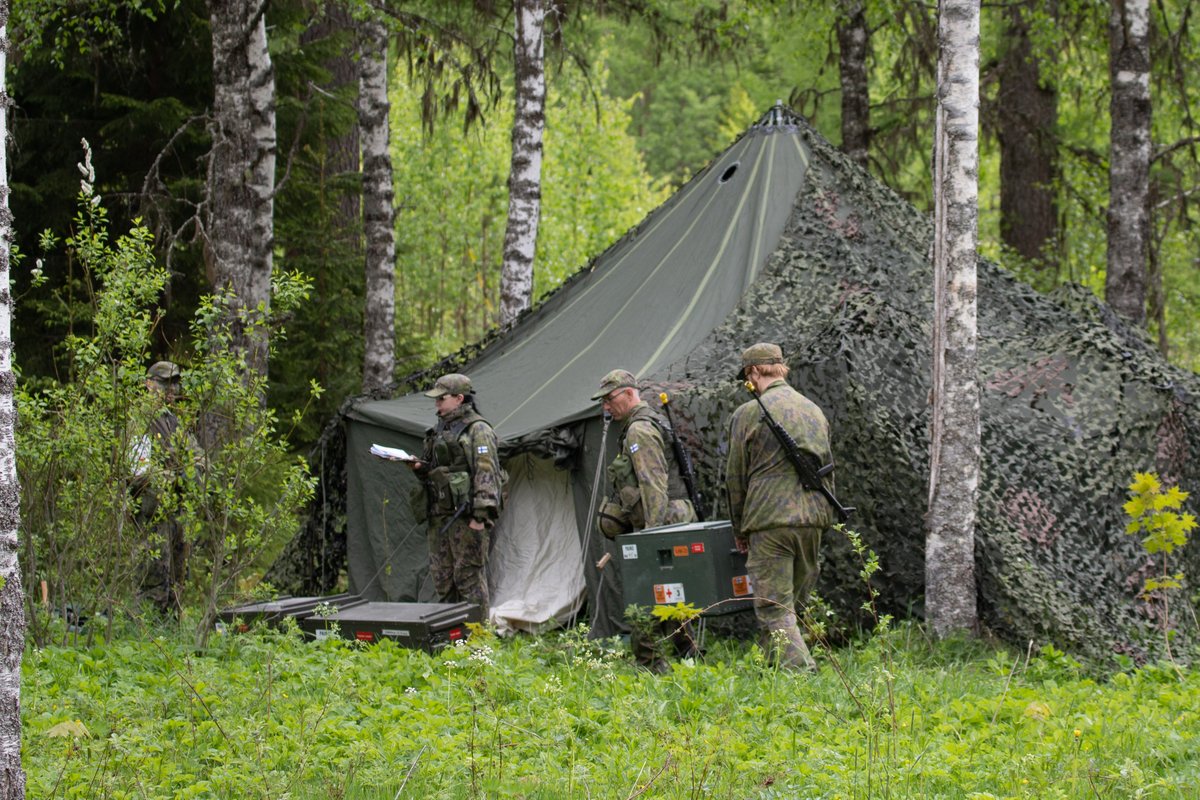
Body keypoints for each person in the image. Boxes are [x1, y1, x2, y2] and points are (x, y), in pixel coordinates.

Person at [725, 343, 835, 671]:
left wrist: (738, 527)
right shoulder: (813, 409)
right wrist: (824, 518)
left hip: (770, 520)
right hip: (813, 517)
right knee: (792, 608)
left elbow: (735, 477)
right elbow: (829, 467)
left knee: (775, 609)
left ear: (755, 372)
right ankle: (772, 672)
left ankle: (803, 675)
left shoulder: (747, 413)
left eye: (748, 376)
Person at [592, 369, 698, 671]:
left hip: (659, 522)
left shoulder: (640, 430)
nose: (606, 407)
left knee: (644, 590)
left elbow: (653, 484)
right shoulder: (644, 424)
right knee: (670, 590)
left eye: (609, 399)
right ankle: (687, 651)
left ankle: (650, 662)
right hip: (665, 520)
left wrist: (652, 536)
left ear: (628, 393)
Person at [409, 373, 503, 618]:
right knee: (443, 579)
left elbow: (487, 473)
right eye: (436, 400)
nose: (437, 404)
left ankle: (478, 640)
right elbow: (436, 471)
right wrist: (420, 469)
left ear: (459, 398)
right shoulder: (439, 430)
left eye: (442, 399)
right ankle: (450, 636)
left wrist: (480, 517)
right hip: (439, 517)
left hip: (466, 517)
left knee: (468, 578)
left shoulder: (478, 430)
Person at [130, 360, 193, 616]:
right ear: (149, 384)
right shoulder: (139, 419)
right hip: (150, 512)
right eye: (165, 383)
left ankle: (169, 631)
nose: (172, 389)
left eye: (175, 383)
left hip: (174, 509)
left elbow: (195, 455)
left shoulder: (172, 421)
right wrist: (173, 478)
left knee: (177, 576)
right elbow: (138, 473)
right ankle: (146, 635)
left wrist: (192, 474)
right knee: (152, 574)